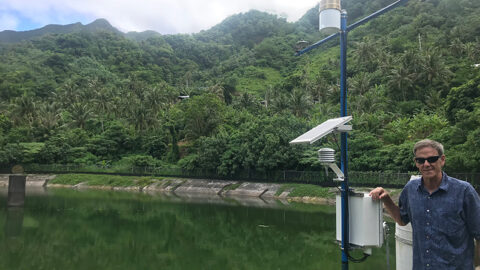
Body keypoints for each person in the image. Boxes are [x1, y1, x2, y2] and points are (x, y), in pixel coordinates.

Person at [370, 139, 480, 269]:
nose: (426, 164)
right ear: (416, 163)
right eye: (421, 160)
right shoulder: (410, 189)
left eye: (432, 159)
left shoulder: (464, 191)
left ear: (442, 160)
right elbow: (401, 220)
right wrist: (386, 198)